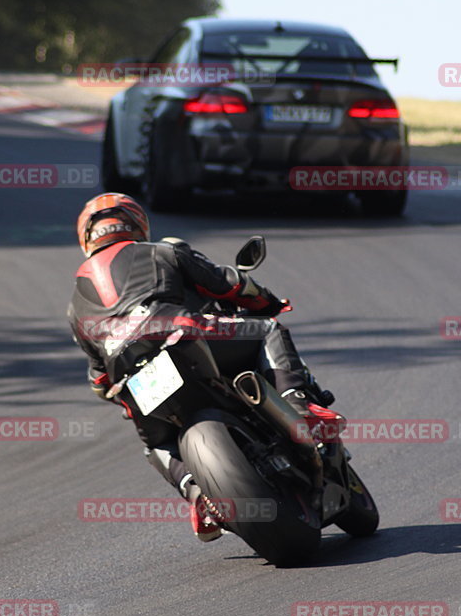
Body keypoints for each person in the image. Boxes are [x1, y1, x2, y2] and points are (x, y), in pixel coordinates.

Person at [68, 193, 331, 542]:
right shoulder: (162, 251)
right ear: (136, 224)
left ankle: (198, 495)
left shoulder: (74, 305)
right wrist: (267, 301)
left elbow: (99, 380)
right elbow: (229, 283)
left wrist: (118, 388)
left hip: (130, 375)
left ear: (86, 239)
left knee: (157, 445)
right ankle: (298, 404)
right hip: (181, 335)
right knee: (267, 329)